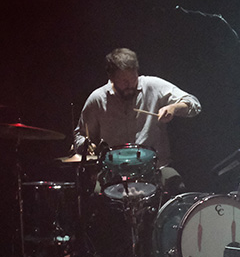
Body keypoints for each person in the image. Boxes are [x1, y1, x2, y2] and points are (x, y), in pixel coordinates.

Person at [73, 47, 201, 194]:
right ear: (112, 78)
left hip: (155, 169)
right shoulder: (97, 99)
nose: (130, 85)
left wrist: (173, 107)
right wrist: (85, 145)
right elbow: (80, 135)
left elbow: (194, 104)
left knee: (177, 187)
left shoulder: (152, 86)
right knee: (96, 195)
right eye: (124, 81)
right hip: (114, 173)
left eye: (133, 79)